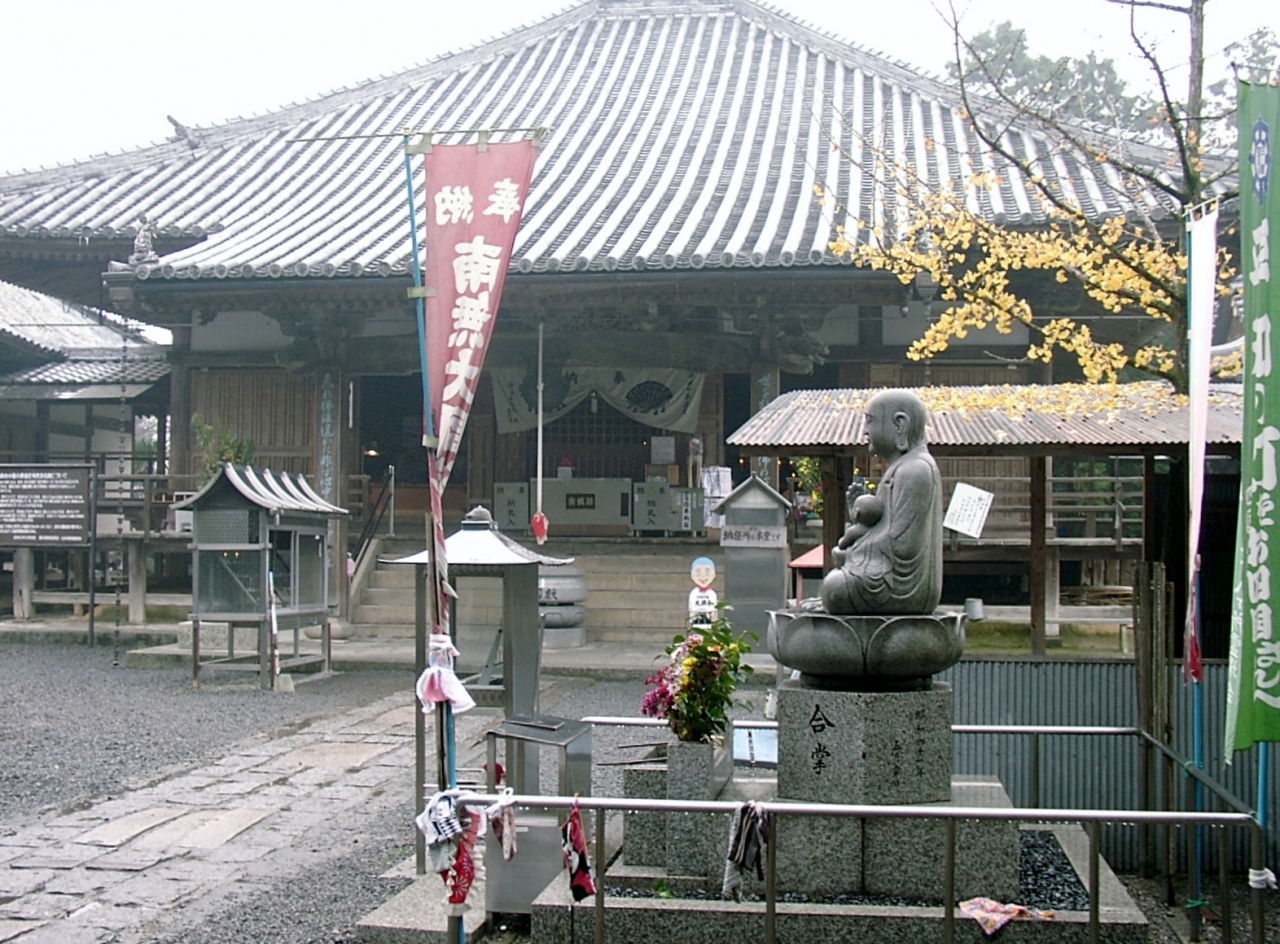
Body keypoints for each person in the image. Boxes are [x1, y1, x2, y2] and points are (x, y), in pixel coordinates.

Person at [820, 390, 942, 615]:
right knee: (834, 585)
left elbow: (903, 545)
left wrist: (851, 554)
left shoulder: (915, 469)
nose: (865, 431)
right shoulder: (903, 466)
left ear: (900, 425)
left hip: (904, 589)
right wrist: (859, 516)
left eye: (870, 421)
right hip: (888, 575)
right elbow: (883, 526)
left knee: (834, 587)